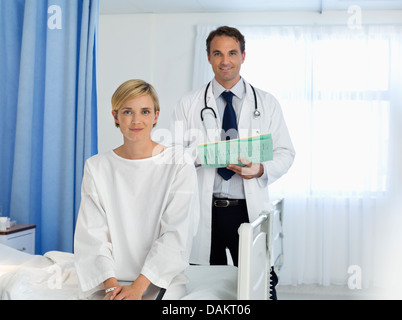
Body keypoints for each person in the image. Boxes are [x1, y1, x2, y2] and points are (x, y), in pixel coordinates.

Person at [170, 26, 295, 296]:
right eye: (217, 53)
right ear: (208, 57)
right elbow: (174, 156)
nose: (225, 60)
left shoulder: (267, 102)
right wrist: (204, 154)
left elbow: (286, 152)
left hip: (246, 212)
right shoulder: (189, 103)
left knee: (260, 287)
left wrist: (260, 169)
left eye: (232, 53)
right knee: (203, 287)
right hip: (205, 211)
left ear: (243, 56)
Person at [74, 79, 199, 300]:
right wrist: (113, 288)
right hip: (110, 280)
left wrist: (138, 288)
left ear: (156, 116)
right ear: (115, 116)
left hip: (160, 280)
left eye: (145, 111)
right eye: (127, 112)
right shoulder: (96, 166)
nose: (136, 120)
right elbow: (92, 235)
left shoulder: (179, 163)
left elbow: (176, 235)